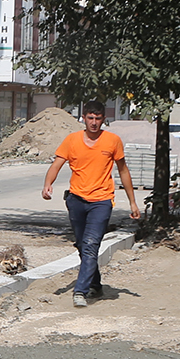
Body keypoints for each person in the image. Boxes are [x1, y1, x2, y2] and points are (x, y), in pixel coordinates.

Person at [42, 101, 143, 307]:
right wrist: (47, 184)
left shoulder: (113, 141)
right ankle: (95, 283)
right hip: (76, 200)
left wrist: (133, 202)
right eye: (90, 118)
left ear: (103, 119)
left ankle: (80, 291)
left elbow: (123, 170)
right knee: (82, 245)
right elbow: (57, 164)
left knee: (90, 245)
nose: (94, 122)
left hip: (102, 201)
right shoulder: (72, 140)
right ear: (84, 118)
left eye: (98, 118)